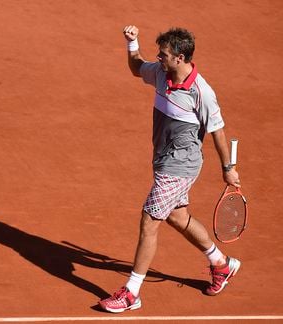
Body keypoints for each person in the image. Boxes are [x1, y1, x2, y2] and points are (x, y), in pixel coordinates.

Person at [98, 26, 242, 313]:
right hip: (164, 160)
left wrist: (228, 168)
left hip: (181, 165)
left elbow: (218, 132)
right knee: (177, 217)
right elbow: (137, 67)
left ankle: (131, 293)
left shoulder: (202, 92)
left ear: (179, 58)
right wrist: (132, 43)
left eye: (163, 54)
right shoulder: (162, 74)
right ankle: (221, 264)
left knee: (150, 219)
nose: (158, 58)